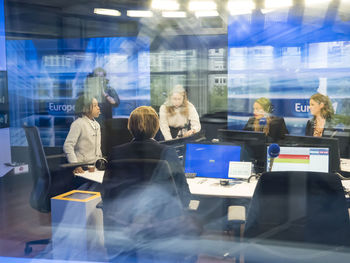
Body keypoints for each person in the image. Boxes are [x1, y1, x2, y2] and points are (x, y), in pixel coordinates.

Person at [106, 106, 191, 206]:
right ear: (156, 126)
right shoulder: (168, 153)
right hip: (159, 218)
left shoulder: (116, 153)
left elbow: (107, 195)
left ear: (130, 126)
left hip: (124, 218)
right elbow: (184, 196)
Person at [63, 94, 102, 174]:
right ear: (85, 108)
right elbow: (68, 146)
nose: (98, 108)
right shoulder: (78, 124)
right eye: (95, 106)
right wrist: (76, 165)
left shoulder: (97, 124)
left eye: (98, 105)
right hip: (82, 167)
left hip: (95, 166)